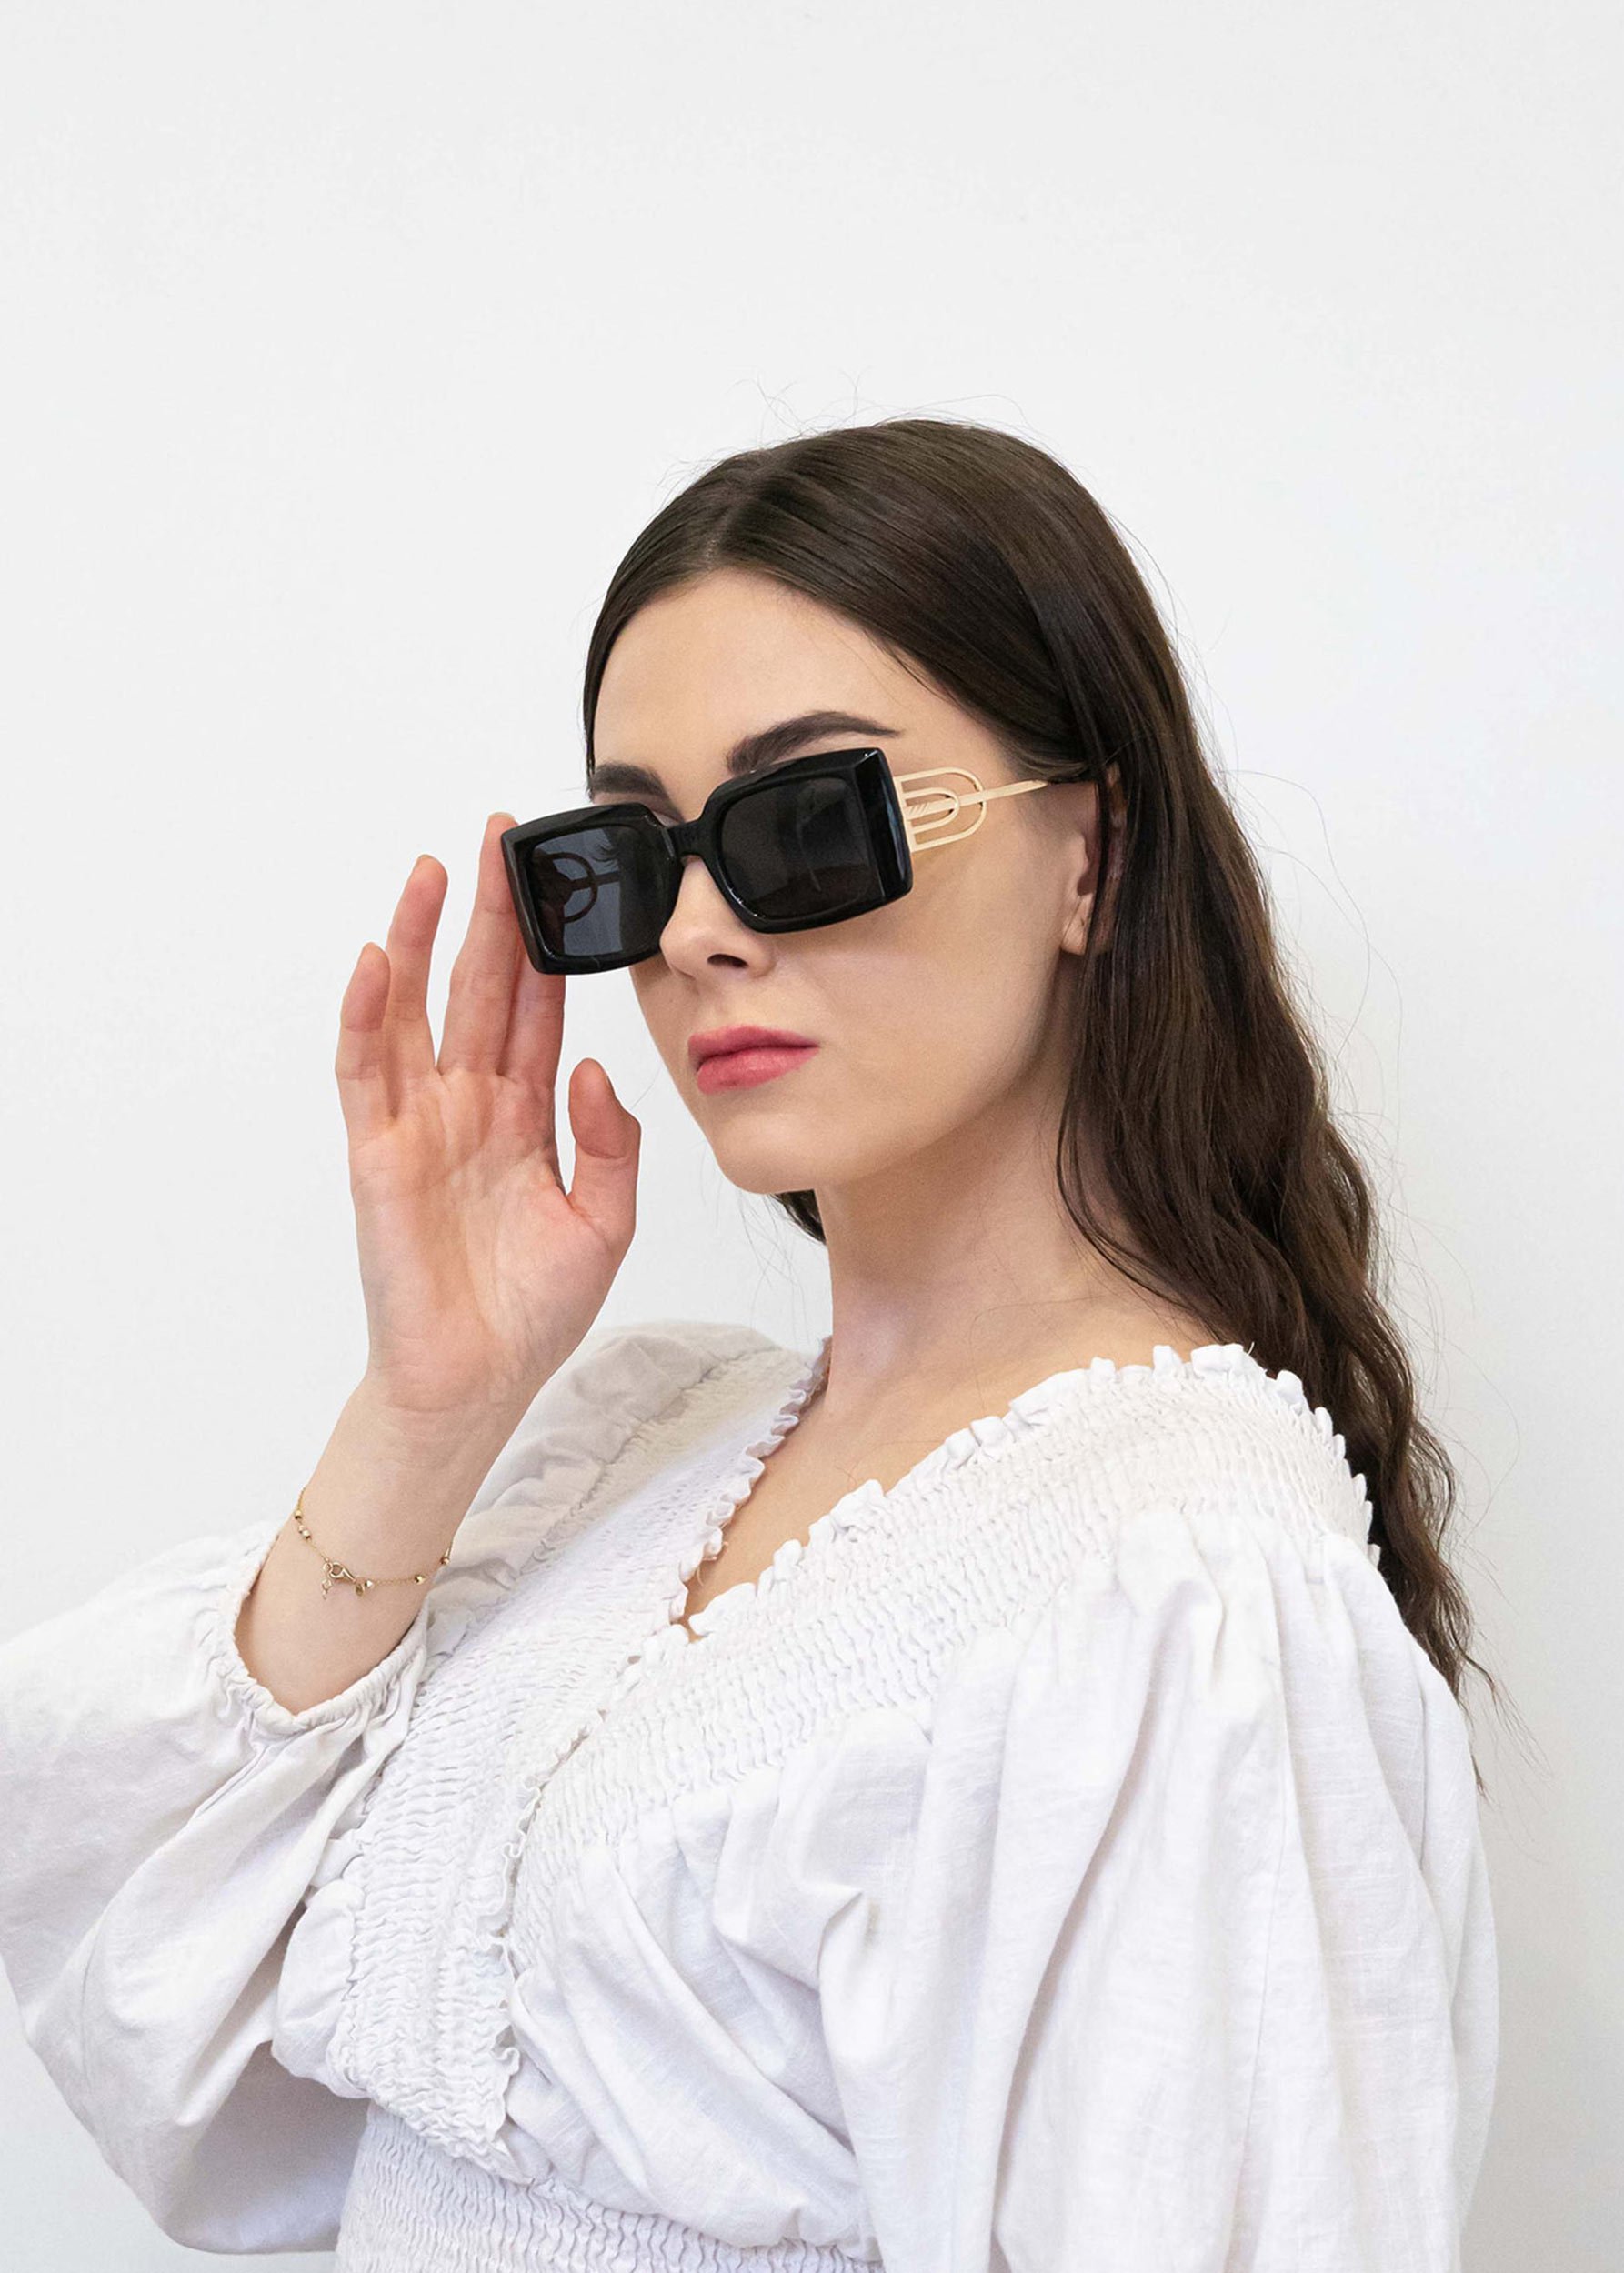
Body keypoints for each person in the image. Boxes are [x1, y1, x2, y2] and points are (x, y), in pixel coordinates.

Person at [0, 417, 1499, 2271]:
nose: (699, 930)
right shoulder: (650, 1438)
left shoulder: (1177, 1600)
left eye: (807, 824)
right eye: (628, 860)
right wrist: (425, 1413)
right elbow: (193, 2069)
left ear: (1088, 860)